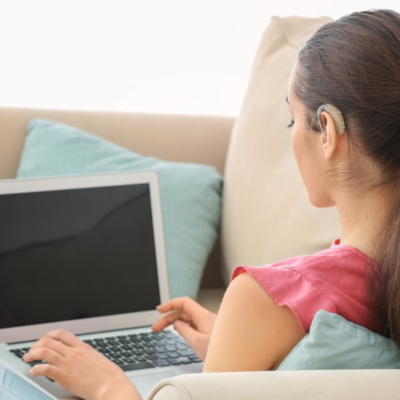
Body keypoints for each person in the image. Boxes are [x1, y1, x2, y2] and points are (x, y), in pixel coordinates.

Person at [22, 9, 400, 400]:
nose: (291, 138)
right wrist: (238, 344)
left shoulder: (263, 297)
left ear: (327, 133)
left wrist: (108, 386)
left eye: (293, 120)